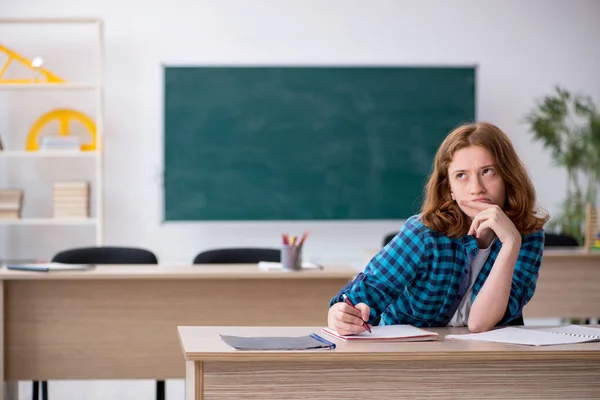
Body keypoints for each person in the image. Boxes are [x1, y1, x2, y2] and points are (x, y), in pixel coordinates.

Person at [328, 122, 549, 334]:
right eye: (461, 176)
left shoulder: (526, 236)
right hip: (409, 357)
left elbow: (480, 323)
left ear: (507, 177)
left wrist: (510, 243)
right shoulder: (423, 233)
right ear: (450, 189)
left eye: (488, 171)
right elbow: (363, 295)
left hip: (486, 360)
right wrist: (340, 315)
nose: (476, 189)